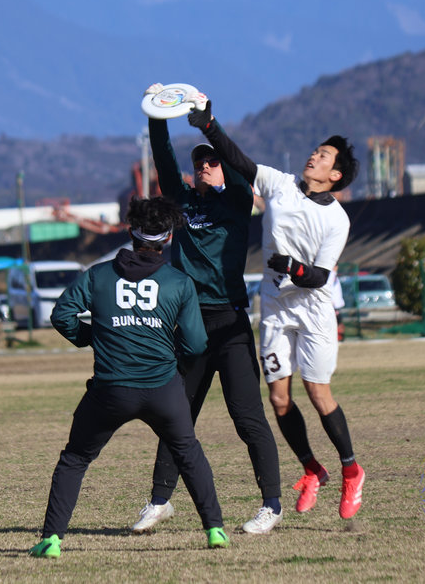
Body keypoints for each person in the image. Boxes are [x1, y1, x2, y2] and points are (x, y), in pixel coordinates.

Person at [186, 93, 366, 520]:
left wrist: (293, 268)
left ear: (335, 174)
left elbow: (319, 277)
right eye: (315, 150)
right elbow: (239, 160)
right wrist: (208, 124)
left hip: (313, 309)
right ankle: (312, 469)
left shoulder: (337, 220)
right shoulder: (281, 184)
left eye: (323, 156)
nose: (313, 156)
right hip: (276, 309)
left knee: (317, 392)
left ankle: (351, 470)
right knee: (279, 399)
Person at [29, 196, 230, 558]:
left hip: (110, 390)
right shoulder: (179, 282)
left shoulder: (98, 275)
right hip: (163, 389)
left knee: (75, 459)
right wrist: (174, 361)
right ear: (168, 238)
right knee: (188, 453)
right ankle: (215, 530)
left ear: (130, 232)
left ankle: (52, 540)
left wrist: (93, 337)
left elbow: (62, 315)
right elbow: (197, 343)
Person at [132, 84, 283, 535]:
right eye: (199, 162)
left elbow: (236, 163)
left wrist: (206, 125)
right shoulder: (183, 203)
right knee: (175, 416)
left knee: (247, 417)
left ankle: (271, 505)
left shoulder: (236, 199)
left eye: (210, 162)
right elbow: (163, 159)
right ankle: (159, 501)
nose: (204, 166)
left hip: (230, 323)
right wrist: (157, 115)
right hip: (190, 326)